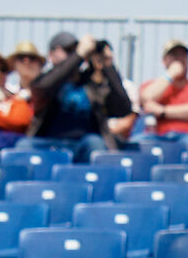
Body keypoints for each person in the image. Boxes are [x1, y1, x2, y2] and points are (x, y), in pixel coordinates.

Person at [27, 31, 130, 161]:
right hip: (49, 141)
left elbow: (123, 109)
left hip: (84, 143)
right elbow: (41, 88)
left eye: (75, 49)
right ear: (51, 55)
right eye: (68, 50)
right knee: (24, 146)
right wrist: (78, 55)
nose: (74, 54)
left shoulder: (92, 83)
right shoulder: (46, 80)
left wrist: (108, 65)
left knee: (96, 144)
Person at [137, 40, 188, 141]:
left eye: (183, 55)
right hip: (158, 136)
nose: (179, 59)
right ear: (164, 61)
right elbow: (146, 98)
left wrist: (162, 111)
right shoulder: (152, 85)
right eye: (174, 55)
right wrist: (171, 74)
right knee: (136, 143)